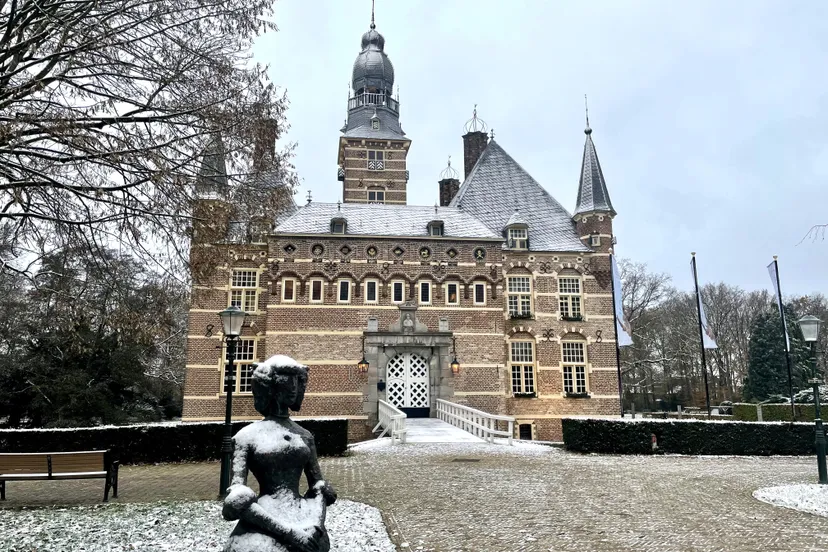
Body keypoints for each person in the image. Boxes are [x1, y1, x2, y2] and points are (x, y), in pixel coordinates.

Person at [222, 355, 337, 552]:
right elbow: (236, 497)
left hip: (303, 515)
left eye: (297, 381)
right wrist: (288, 533)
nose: (293, 387)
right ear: (270, 387)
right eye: (286, 381)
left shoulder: (305, 436)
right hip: (266, 516)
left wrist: (316, 527)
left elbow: (318, 486)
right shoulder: (246, 436)